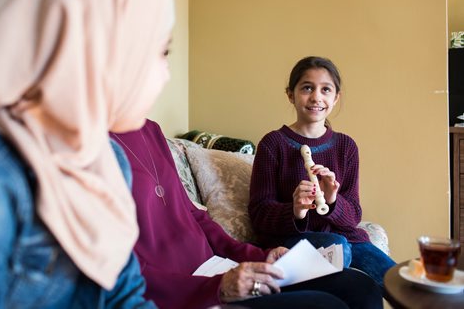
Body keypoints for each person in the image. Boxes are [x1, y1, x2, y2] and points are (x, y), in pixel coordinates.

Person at [0, 0, 173, 308]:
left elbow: (124, 295)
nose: (167, 74)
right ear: (97, 48)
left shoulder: (108, 157)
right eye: (161, 50)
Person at [111, 119, 383, 309]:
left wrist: (259, 255)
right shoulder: (89, 147)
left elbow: (196, 216)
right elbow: (117, 275)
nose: (164, 74)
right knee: (327, 306)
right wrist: (218, 287)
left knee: (361, 287)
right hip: (185, 292)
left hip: (218, 269)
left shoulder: (151, 130)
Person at [248, 56, 396, 291]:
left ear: (335, 98)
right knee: (338, 248)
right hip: (291, 240)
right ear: (291, 94)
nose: (316, 97)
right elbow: (258, 213)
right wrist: (295, 210)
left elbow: (354, 215)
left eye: (325, 89)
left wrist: (332, 200)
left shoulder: (346, 146)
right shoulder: (272, 144)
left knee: (397, 279)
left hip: (346, 239)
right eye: (307, 88)